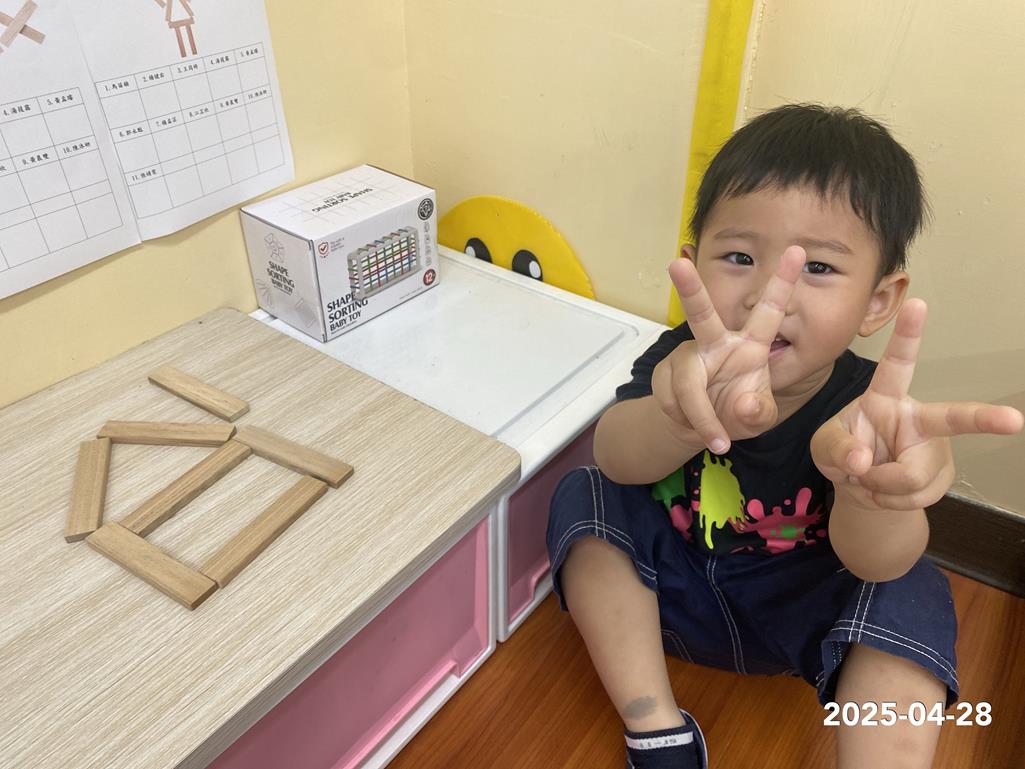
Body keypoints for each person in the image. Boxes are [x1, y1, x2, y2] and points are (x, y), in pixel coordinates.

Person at [546, 104, 1023, 769]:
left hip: (803, 623)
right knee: (585, 492)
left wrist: (866, 491)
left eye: (818, 268)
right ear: (692, 267)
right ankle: (656, 728)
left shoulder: (868, 412)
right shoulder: (680, 361)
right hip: (667, 605)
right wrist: (677, 419)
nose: (769, 293)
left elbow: (878, 565)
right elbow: (617, 458)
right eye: (740, 257)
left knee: (911, 586)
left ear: (877, 302)